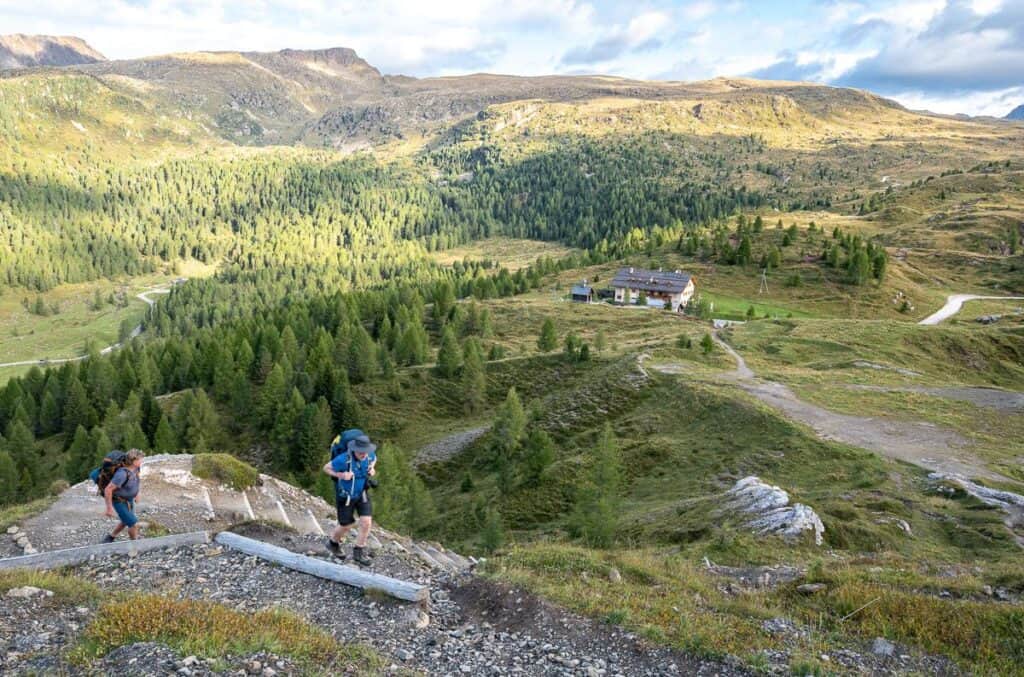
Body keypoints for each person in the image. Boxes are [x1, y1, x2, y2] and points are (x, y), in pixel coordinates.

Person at [323, 434, 377, 565]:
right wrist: (341, 474)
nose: (364, 454)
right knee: (346, 525)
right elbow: (326, 468)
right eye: (361, 452)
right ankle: (333, 543)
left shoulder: (369, 455)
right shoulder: (343, 459)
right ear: (354, 449)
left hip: (361, 492)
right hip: (345, 496)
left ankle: (359, 553)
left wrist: (372, 468)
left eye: (365, 451)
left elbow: (374, 458)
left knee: (366, 522)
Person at [102, 449, 144, 542]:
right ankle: (134, 544)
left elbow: (136, 479)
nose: (142, 461)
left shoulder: (136, 468)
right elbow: (108, 489)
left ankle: (111, 537)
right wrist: (109, 508)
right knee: (133, 524)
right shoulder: (122, 474)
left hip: (129, 500)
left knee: (126, 520)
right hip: (119, 501)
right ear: (134, 461)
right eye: (140, 459)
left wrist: (137, 493)